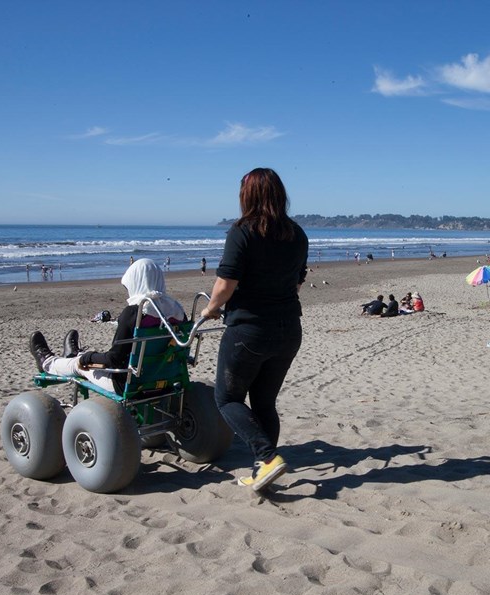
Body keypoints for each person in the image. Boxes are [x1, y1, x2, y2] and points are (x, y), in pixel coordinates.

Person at [201, 168, 308, 491]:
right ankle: (264, 468)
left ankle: (267, 456)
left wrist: (211, 308)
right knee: (264, 403)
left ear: (247, 196)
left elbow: (225, 283)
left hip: (249, 331)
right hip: (289, 329)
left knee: (227, 398)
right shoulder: (297, 234)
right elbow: (298, 280)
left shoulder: (243, 232)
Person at [29, 259, 186, 394]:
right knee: (85, 358)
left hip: (129, 384)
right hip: (166, 379)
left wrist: (88, 357)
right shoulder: (177, 311)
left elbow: (114, 359)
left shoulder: (135, 313)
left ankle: (47, 362)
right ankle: (75, 353)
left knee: (79, 366)